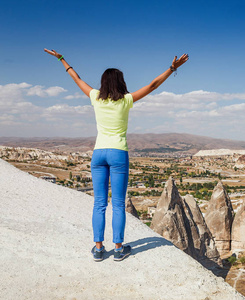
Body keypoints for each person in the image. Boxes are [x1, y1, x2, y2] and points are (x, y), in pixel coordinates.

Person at [44, 48, 189, 261]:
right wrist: (171, 69)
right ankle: (119, 249)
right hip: (118, 153)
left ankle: (99, 248)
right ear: (120, 82)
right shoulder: (126, 100)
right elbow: (152, 85)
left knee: (99, 203)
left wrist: (62, 59)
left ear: (103, 83)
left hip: (98, 153)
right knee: (119, 203)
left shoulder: (95, 97)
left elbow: (77, 78)